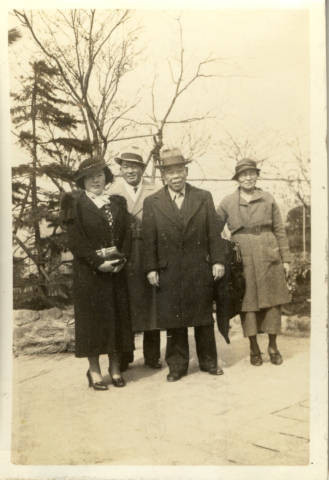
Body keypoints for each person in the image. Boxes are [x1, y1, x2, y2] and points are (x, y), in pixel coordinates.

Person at [142, 148, 226, 382]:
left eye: (179, 171)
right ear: (164, 176)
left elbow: (213, 233)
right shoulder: (152, 202)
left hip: (198, 267)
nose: (175, 176)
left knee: (203, 317)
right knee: (173, 319)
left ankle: (209, 361)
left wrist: (218, 260)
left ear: (186, 172)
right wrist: (151, 268)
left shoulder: (203, 197)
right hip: (168, 269)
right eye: (170, 172)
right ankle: (177, 366)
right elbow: (149, 239)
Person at [60, 157, 134, 390]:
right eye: (90, 177)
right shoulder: (74, 204)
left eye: (100, 175)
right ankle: (94, 371)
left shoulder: (117, 203)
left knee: (115, 318)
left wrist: (122, 258)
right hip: (90, 273)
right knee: (93, 323)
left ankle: (114, 368)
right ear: (82, 181)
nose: (96, 180)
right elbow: (76, 241)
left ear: (106, 178)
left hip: (115, 271)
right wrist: (97, 262)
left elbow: (126, 236)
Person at [216, 158, 291, 366]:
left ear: (257, 175)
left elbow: (280, 230)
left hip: (269, 252)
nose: (248, 177)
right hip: (242, 258)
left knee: (273, 302)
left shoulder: (268, 199)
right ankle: (254, 347)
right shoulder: (227, 202)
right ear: (237, 179)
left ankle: (273, 345)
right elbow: (213, 229)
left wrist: (286, 259)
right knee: (248, 303)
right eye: (243, 174)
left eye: (251, 173)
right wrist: (224, 253)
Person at [108, 148, 161, 370]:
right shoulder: (112, 192)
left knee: (152, 303)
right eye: (126, 167)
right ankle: (125, 356)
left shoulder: (155, 190)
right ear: (120, 170)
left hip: (148, 249)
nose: (130, 171)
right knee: (124, 304)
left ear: (142, 169)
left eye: (135, 167)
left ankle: (152, 356)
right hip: (124, 252)